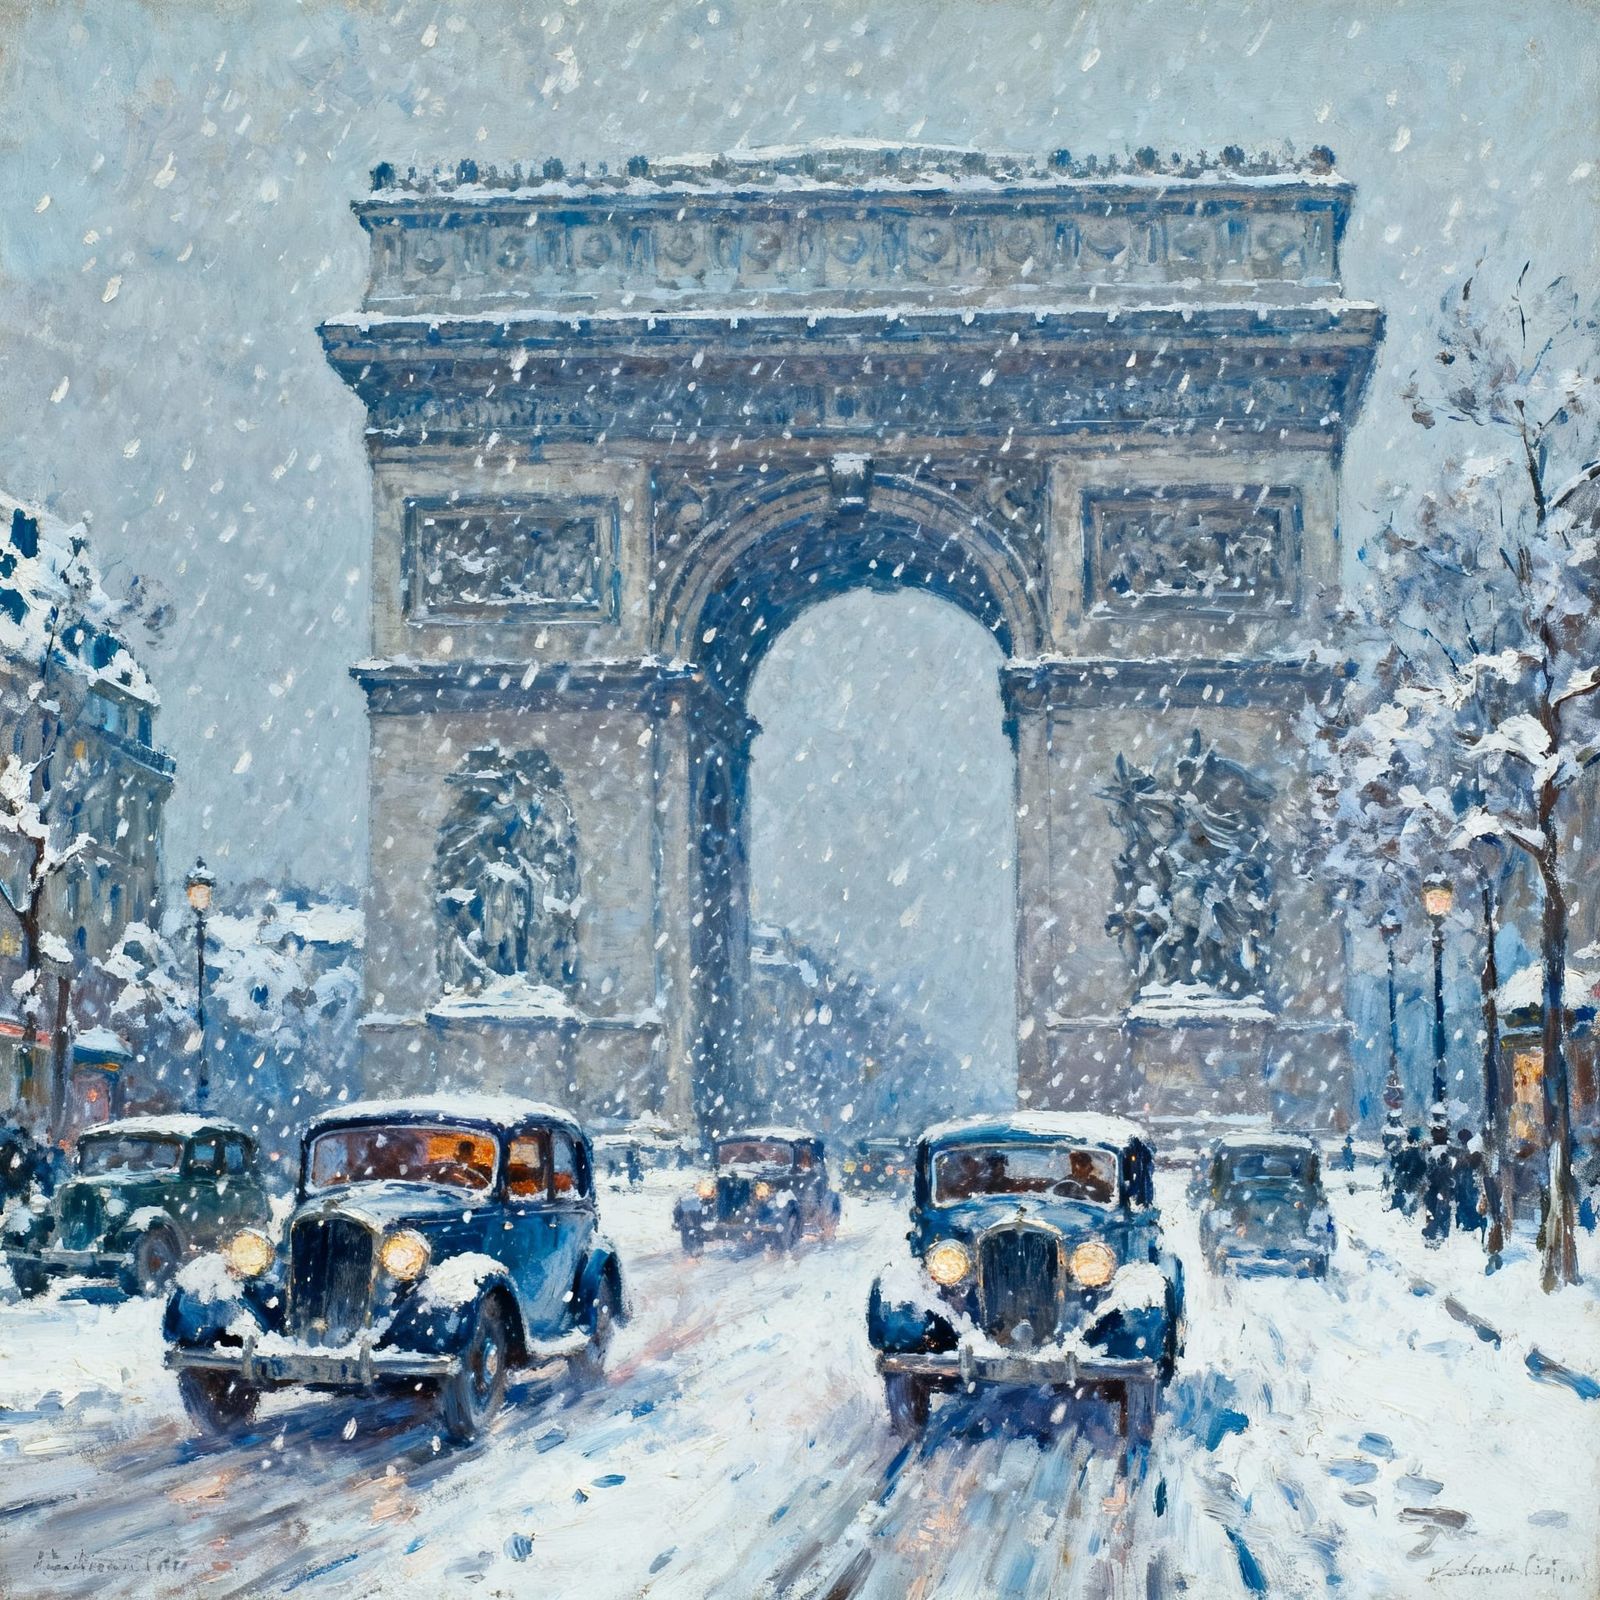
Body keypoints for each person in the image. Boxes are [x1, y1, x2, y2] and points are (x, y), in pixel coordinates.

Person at [1421, 1127, 1453, 1245]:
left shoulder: (1432, 1151)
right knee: (1438, 1209)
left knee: (1435, 1209)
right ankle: (1436, 1232)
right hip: (1438, 1187)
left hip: (1438, 1187)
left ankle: (1436, 1231)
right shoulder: (1444, 1150)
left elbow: (1428, 1169)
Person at [1452, 1129, 1485, 1240]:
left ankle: (1470, 1225)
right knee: (1470, 1203)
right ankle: (1472, 1224)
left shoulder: (1469, 1150)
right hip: (1470, 1182)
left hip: (1467, 1182)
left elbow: (1460, 1166)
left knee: (1466, 1203)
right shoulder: (1475, 1147)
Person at [1389, 1128, 1427, 1217]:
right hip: (1409, 1176)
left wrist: (1407, 1171)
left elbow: (1421, 1165)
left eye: (1411, 1139)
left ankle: (1408, 1210)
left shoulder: (1417, 1151)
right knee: (1403, 1191)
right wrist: (1400, 1169)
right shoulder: (1409, 1151)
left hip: (1414, 1177)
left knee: (1411, 1194)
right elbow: (1404, 1163)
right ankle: (1401, 1208)